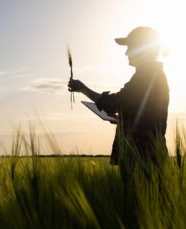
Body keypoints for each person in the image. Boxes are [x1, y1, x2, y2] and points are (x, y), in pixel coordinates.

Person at [68, 27, 169, 166]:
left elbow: (114, 103)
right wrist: (123, 119)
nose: (126, 52)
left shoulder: (147, 75)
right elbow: (143, 111)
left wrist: (83, 89)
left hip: (142, 155)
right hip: (146, 153)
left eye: (130, 47)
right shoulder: (151, 74)